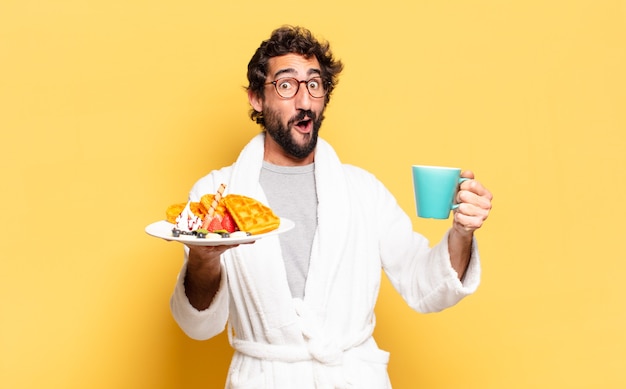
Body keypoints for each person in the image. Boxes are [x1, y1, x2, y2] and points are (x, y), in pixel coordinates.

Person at [170, 25, 493, 388]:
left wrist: (462, 233)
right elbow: (198, 325)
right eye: (287, 85)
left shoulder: (362, 191)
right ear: (257, 99)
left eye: (314, 84)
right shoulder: (215, 194)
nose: (304, 101)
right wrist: (203, 259)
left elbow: (425, 285)